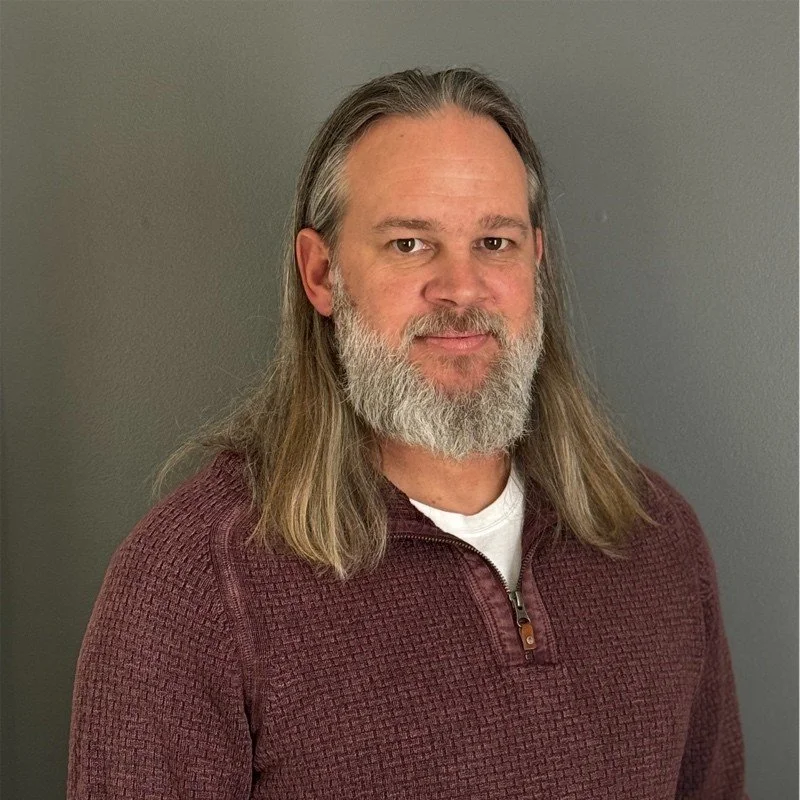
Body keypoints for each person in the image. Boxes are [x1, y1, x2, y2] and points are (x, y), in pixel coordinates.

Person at [67, 67, 748, 798]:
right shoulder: (192, 586)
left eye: (494, 242)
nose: (461, 288)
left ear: (536, 267)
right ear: (322, 273)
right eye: (409, 244)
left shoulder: (658, 541)